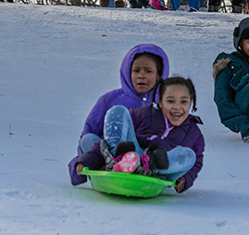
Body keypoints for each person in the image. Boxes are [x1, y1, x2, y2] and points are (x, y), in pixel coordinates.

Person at [74, 76, 204, 193]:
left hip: (157, 171)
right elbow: (112, 136)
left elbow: (196, 162)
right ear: (160, 102)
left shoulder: (194, 133)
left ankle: (142, 165)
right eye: (170, 101)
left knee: (189, 155)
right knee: (111, 116)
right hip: (131, 154)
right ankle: (115, 161)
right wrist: (87, 160)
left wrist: (185, 180)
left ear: (191, 102)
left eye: (183, 102)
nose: (177, 107)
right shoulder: (143, 114)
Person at [68, 44, 170, 186]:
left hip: (145, 158)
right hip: (108, 156)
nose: (141, 75)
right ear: (128, 73)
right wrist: (80, 163)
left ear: (158, 75)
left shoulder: (166, 102)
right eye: (136, 70)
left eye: (148, 71)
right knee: (88, 139)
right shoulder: (110, 100)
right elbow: (89, 132)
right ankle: (116, 164)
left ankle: (138, 167)